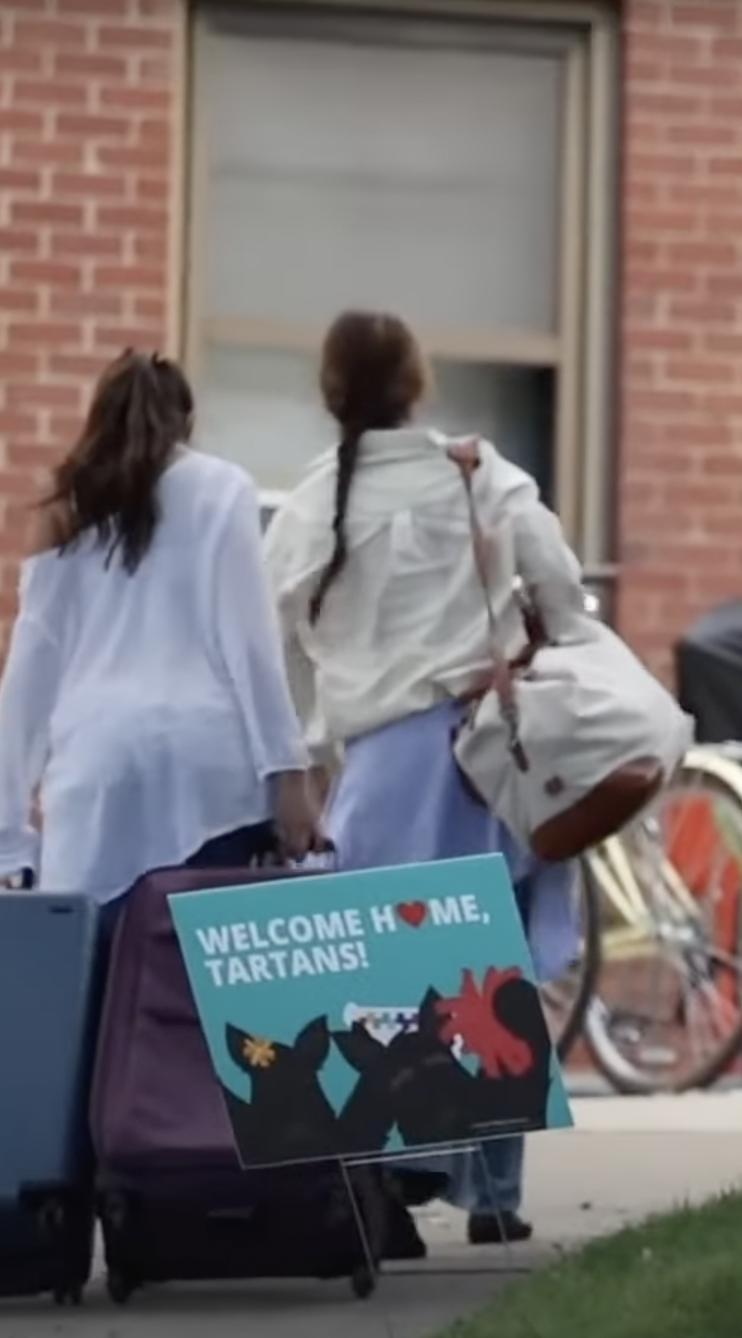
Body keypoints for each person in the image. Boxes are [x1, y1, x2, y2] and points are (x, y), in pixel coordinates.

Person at [263, 311, 590, 1246]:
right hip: (482, 753)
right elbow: (560, 590)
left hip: (371, 769)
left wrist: (305, 756)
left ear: (330, 394)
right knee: (485, 981)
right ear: (420, 383)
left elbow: (272, 647)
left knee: (378, 989)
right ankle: (492, 1196)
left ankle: (384, 1196)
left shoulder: (310, 506)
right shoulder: (480, 475)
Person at [0, 348, 321, 978]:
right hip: (209, 778)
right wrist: (289, 772)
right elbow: (249, 641)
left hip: (96, 777)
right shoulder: (221, 488)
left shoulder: (66, 510)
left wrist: (2, 820)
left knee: (98, 1004)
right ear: (185, 420)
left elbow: (30, 675)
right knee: (210, 1006)